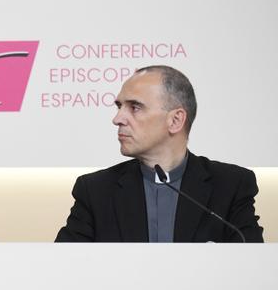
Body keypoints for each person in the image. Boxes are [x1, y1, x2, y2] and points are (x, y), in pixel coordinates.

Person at [56, 65, 263, 242]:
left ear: (175, 120)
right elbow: (64, 267)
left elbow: (251, 268)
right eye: (119, 106)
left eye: (135, 107)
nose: (118, 118)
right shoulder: (95, 191)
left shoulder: (231, 185)